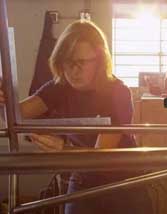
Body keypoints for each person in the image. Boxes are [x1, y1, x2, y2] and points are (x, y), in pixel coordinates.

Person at [0, 20, 153, 214]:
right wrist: (4, 101)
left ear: (100, 60)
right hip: (82, 177)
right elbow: (14, 118)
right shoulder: (59, 87)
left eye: (81, 62)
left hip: (122, 183)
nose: (73, 70)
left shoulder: (117, 92)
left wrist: (64, 150)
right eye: (67, 62)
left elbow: (100, 159)